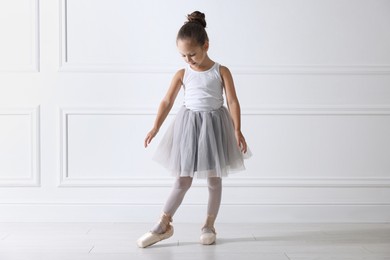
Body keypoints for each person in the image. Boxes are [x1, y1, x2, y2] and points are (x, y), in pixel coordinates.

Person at [137, 11, 251, 248]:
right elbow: (167, 101)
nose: (188, 59)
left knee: (214, 178)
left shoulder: (221, 71)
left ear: (206, 46)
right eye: (183, 55)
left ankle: (209, 224)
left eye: (192, 54)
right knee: (182, 179)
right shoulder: (183, 73)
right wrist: (155, 127)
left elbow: (232, 101)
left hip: (215, 127)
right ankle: (163, 223)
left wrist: (237, 129)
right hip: (189, 127)